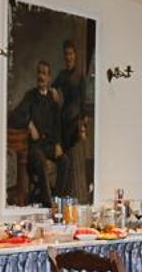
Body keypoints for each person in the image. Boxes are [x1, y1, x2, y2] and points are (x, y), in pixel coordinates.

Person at [8, 59, 63, 205]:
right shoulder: (30, 96)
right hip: (35, 147)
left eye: (44, 74)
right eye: (39, 73)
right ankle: (47, 203)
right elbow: (14, 116)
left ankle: (57, 198)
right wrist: (29, 124)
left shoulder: (52, 98)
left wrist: (58, 143)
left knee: (65, 161)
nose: (41, 77)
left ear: (49, 78)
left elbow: (57, 124)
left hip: (49, 145)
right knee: (40, 159)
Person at [52, 38, 90, 199]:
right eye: (66, 54)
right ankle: (62, 195)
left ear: (75, 55)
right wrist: (55, 94)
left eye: (71, 53)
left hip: (76, 121)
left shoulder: (80, 75)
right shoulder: (62, 74)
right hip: (64, 119)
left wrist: (83, 123)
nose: (69, 57)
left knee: (74, 158)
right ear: (64, 56)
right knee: (65, 159)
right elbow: (52, 88)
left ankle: (73, 195)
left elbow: (83, 100)